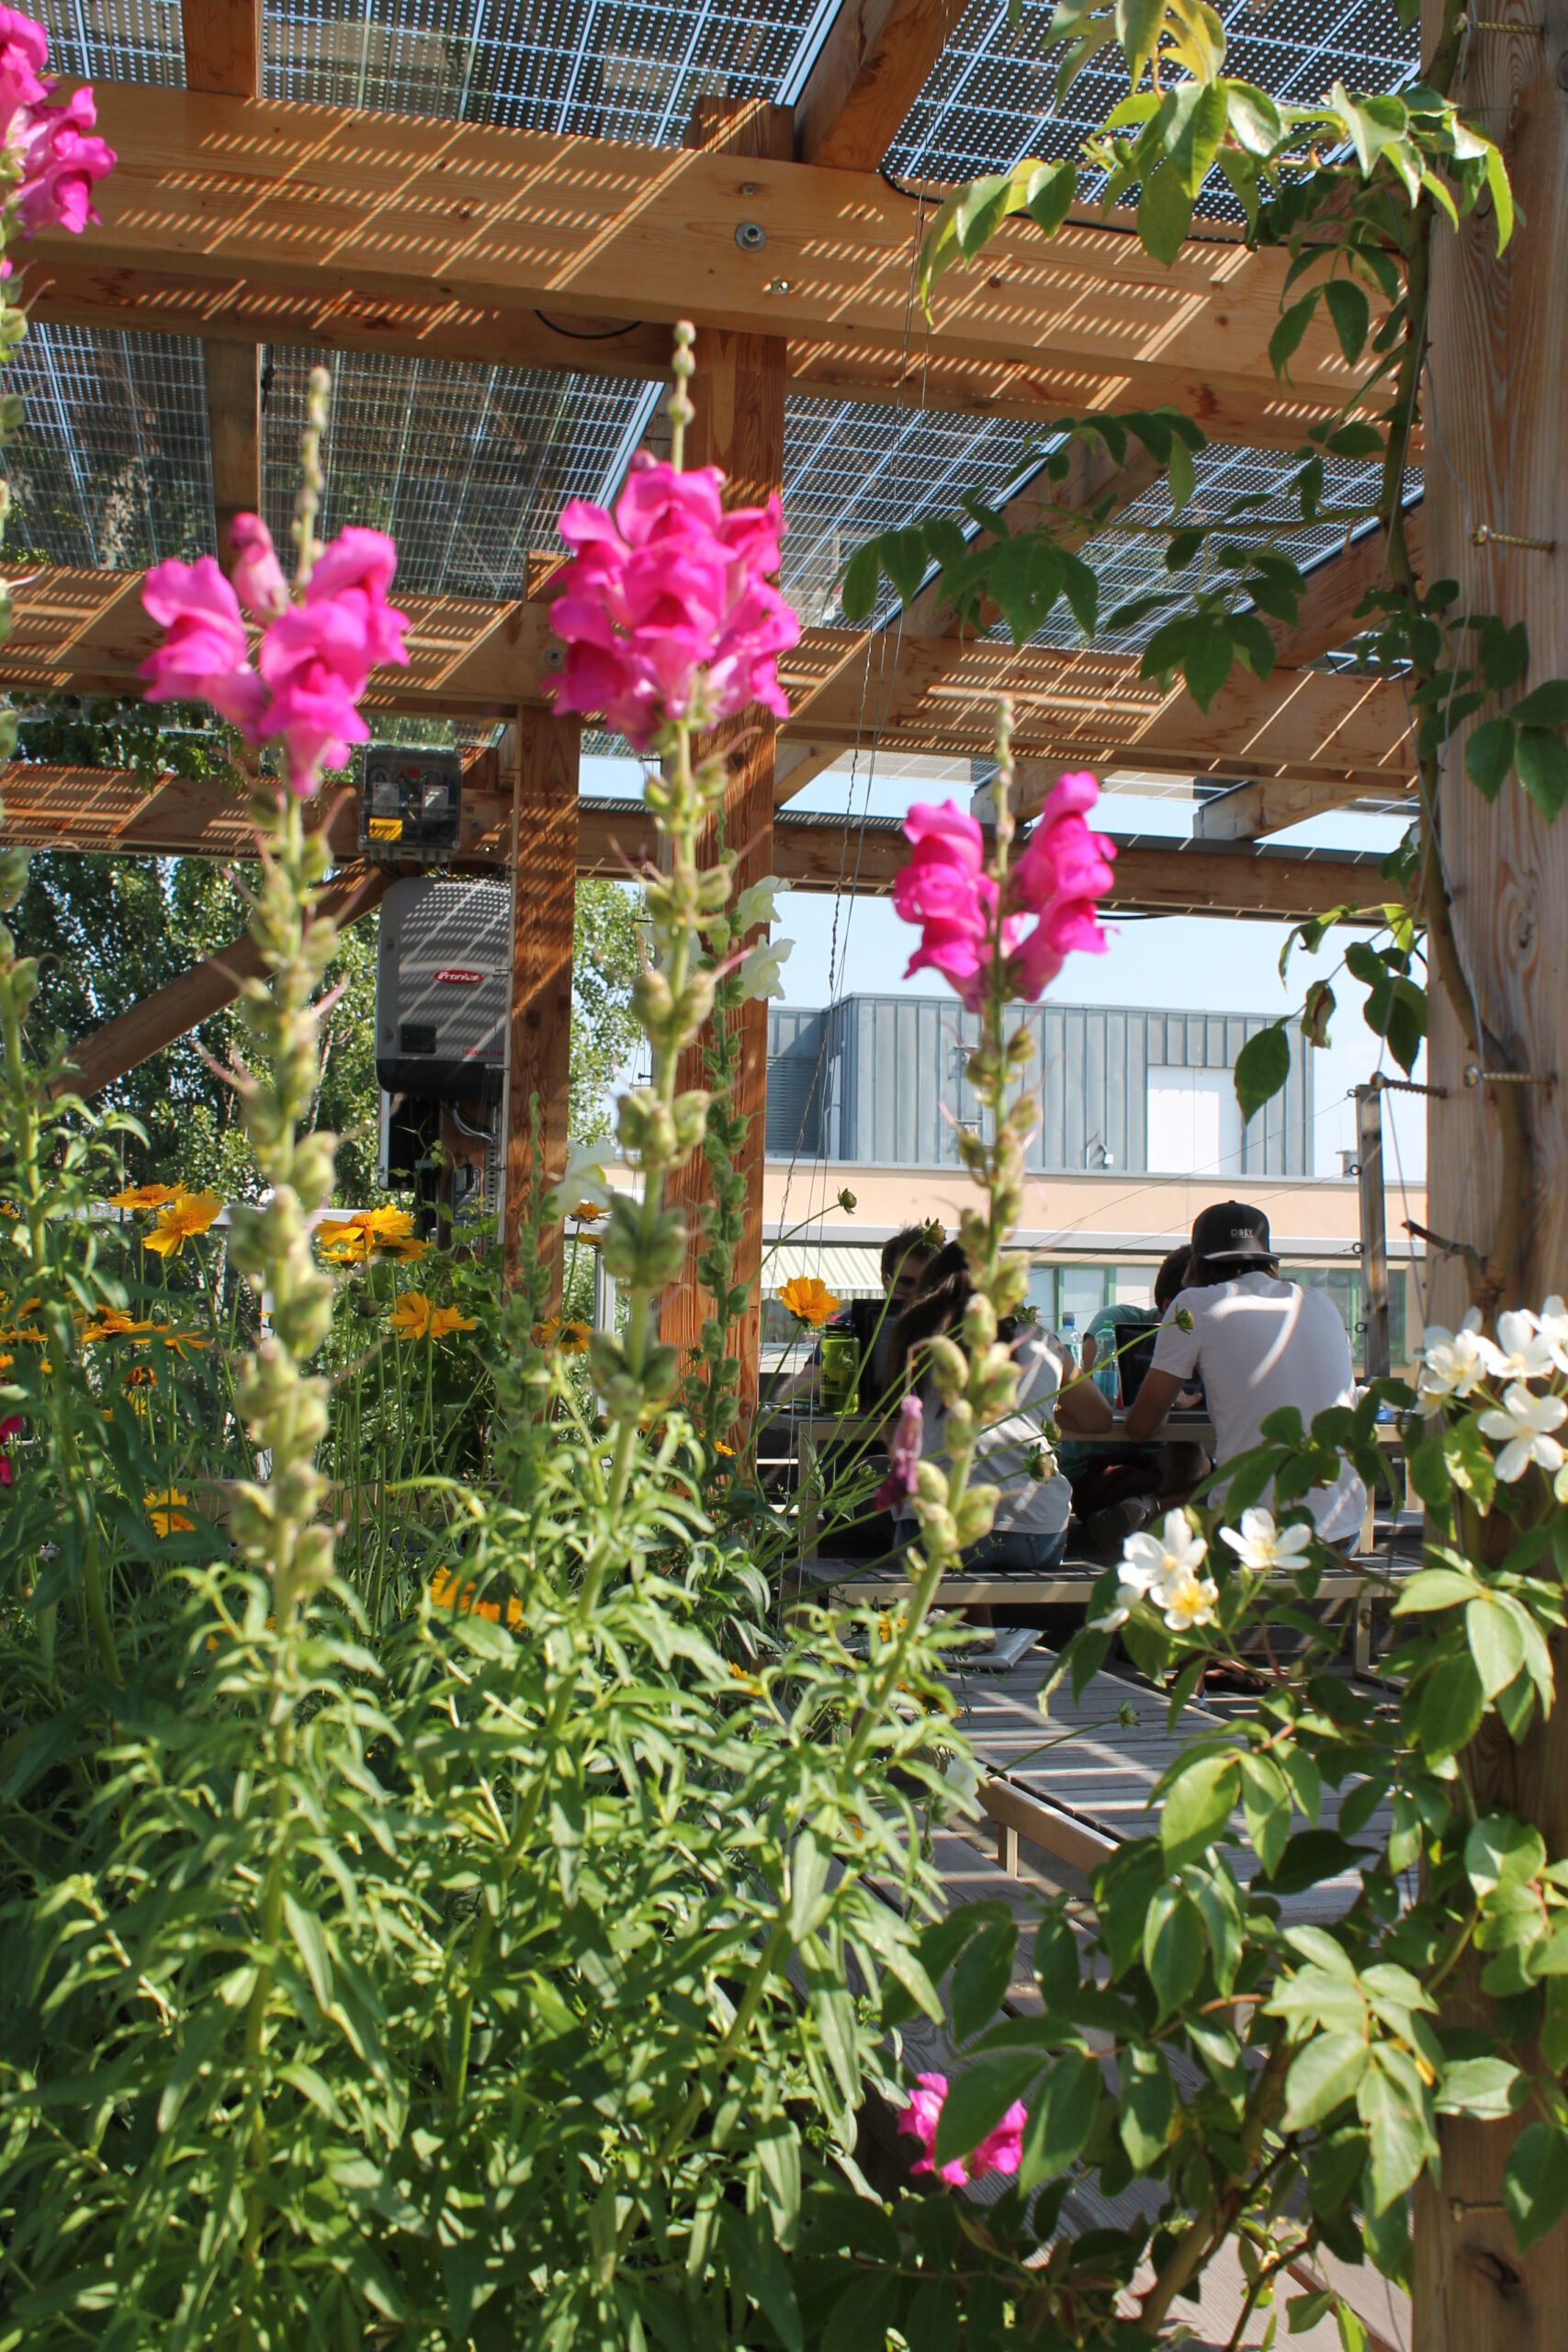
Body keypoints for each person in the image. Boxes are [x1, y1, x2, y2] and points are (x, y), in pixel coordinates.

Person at [1127, 1200, 1366, 1545]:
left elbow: (1140, 1428)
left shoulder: (1194, 1304)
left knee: (1165, 1542)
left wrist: (1171, 1402)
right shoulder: (1320, 1302)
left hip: (1252, 1534)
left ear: (1198, 1263)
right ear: (1268, 1260)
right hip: (1341, 1530)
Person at [891, 1241, 1112, 1575]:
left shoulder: (911, 1336)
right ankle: (990, 1626)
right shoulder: (1043, 1342)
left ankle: (975, 1625)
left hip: (938, 1531)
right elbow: (1098, 1418)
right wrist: (1032, 1415)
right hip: (1036, 1533)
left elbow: (894, 1420)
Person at [1065, 1249, 1204, 1550]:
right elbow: (1091, 1376)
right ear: (1171, 1306)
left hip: (1157, 1463)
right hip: (1097, 1461)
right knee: (1201, 1491)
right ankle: (1137, 1519)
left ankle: (1140, 1512)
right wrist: (1165, 1397)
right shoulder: (1117, 1322)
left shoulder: (1208, 1345)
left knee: (1201, 1467)